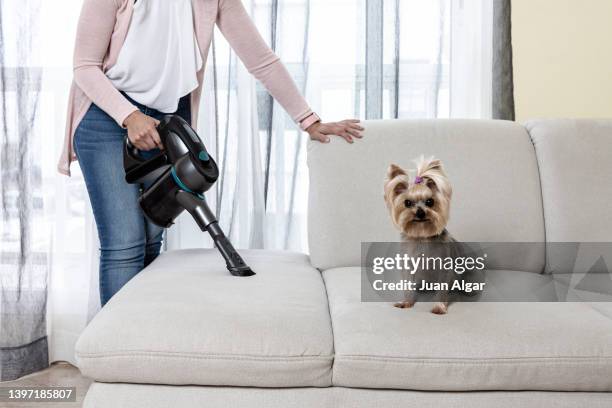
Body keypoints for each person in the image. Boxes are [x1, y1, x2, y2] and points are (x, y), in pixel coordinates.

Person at [58, 0, 363, 306]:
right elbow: (84, 66)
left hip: (166, 123)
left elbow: (260, 59)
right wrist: (129, 116)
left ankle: (142, 343)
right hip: (107, 118)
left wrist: (309, 121)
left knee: (152, 240)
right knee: (124, 243)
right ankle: (115, 349)